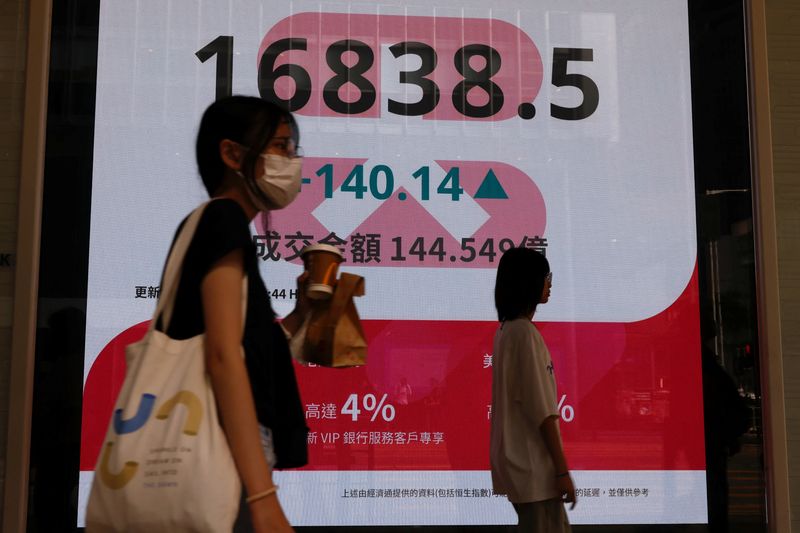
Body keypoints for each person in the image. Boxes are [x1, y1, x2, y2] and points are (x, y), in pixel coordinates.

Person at [158, 95, 311, 532]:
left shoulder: (215, 225)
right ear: (232, 154)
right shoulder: (223, 220)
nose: (291, 161)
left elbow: (245, 352)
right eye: (281, 146)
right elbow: (223, 359)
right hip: (221, 457)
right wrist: (262, 496)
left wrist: (300, 316)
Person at [490, 248, 575, 532]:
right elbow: (543, 412)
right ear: (528, 282)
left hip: (522, 466)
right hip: (535, 469)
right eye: (545, 276)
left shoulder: (506, 331)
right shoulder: (524, 334)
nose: (549, 283)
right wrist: (562, 470)